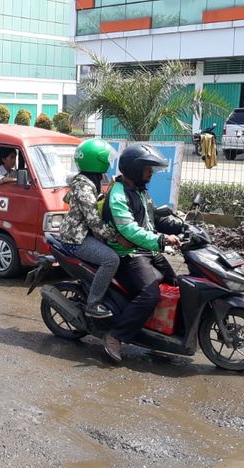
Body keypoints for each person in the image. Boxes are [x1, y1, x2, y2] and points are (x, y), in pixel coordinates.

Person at [101, 144, 183, 362]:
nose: (151, 174)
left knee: (177, 283)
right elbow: (128, 229)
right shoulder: (117, 194)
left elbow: (154, 218)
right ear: (135, 169)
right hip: (128, 254)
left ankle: (163, 332)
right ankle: (116, 336)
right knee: (150, 294)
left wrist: (182, 227)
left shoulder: (141, 190)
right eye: (148, 169)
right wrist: (160, 239)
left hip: (147, 248)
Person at [59, 139, 121, 319]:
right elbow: (95, 222)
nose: (109, 161)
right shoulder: (83, 186)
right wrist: (117, 236)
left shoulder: (92, 179)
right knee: (111, 260)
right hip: (76, 239)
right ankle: (92, 304)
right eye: (106, 158)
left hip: (85, 234)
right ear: (97, 160)